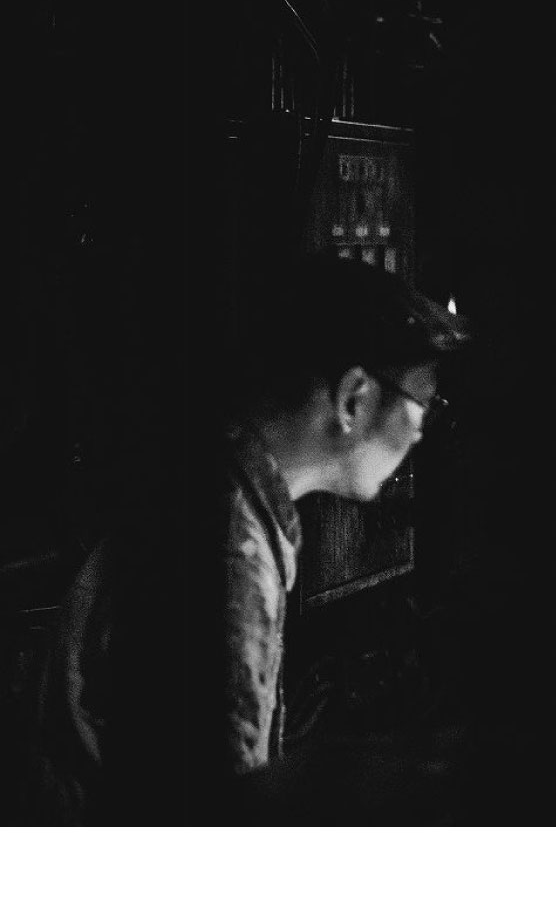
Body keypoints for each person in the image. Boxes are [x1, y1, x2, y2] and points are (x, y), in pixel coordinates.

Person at [23, 254, 467, 823]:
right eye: (424, 406)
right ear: (353, 399)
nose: (422, 433)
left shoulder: (215, 492)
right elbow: (219, 815)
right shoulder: (226, 550)